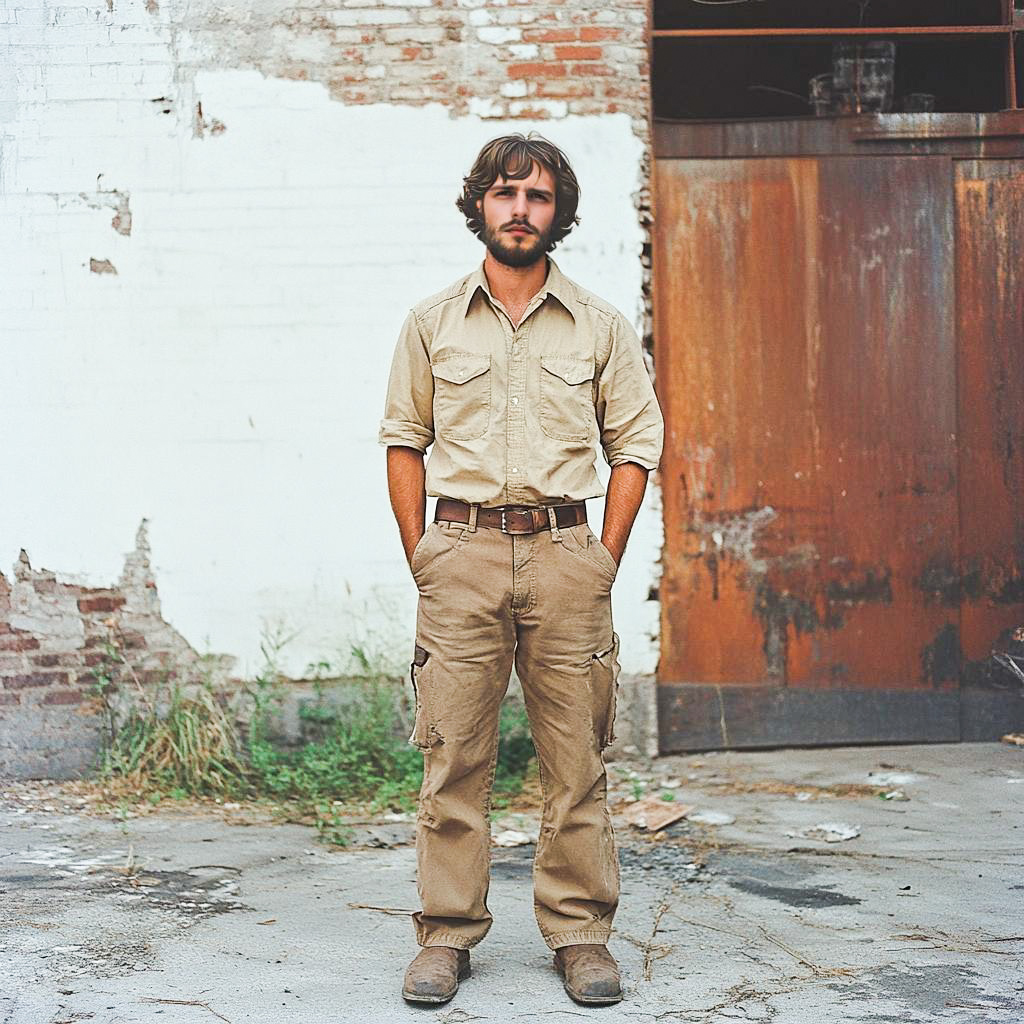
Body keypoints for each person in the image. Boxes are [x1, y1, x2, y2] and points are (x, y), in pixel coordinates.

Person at [379, 133, 664, 1007]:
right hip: (459, 556)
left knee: (575, 759)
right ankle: (448, 936)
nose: (520, 211)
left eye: (538, 198)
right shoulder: (431, 322)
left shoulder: (602, 326)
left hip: (566, 555)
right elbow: (404, 440)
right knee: (453, 756)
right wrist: (425, 554)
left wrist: (604, 559)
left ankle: (580, 934)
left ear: (558, 214)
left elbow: (636, 445)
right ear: (480, 206)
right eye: (506, 195)